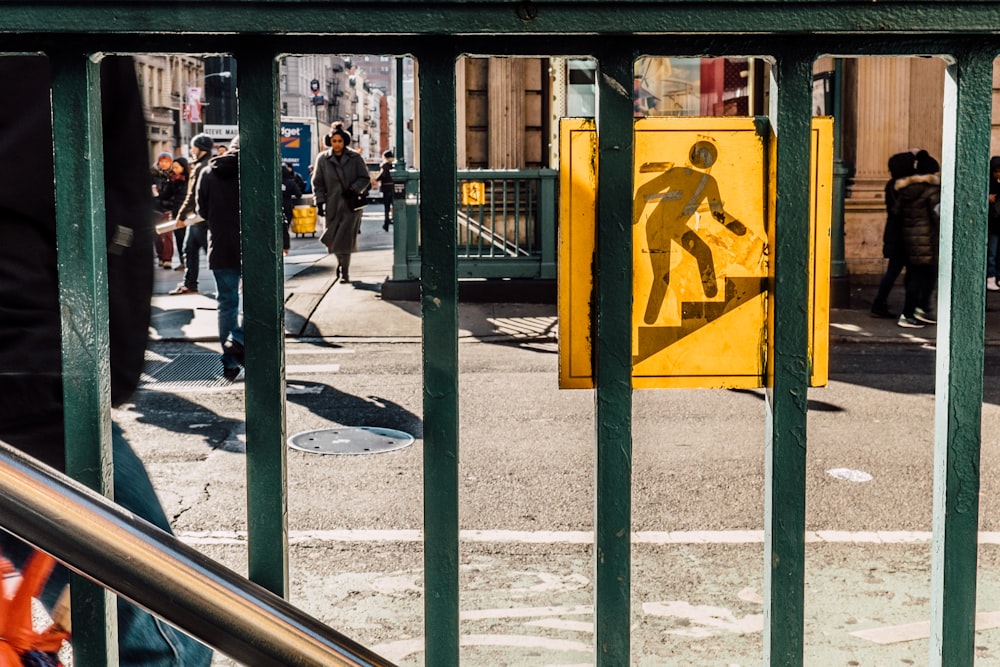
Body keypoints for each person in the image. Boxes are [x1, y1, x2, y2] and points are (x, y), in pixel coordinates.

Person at [0, 55, 212, 665]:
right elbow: (106, 206)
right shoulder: (62, 44)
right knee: (169, 625)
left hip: (30, 356)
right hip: (29, 368)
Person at [197, 135, 244, 380]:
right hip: (251, 245)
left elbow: (201, 210)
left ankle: (229, 361)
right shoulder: (254, 169)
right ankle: (239, 339)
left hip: (221, 246)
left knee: (226, 303)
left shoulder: (207, 172)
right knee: (262, 300)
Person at [312, 122, 371, 284]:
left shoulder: (355, 158)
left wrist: (353, 189)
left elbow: (365, 178)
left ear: (345, 141)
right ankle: (340, 263)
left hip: (350, 206)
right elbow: (317, 183)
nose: (337, 144)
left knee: (345, 239)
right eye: (334, 141)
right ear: (329, 142)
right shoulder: (322, 159)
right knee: (331, 238)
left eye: (340, 141)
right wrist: (320, 203)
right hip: (331, 205)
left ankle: (344, 271)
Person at [893, 149, 941, 328]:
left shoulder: (906, 190)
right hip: (926, 240)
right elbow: (937, 216)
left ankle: (917, 310)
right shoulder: (931, 191)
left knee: (916, 276)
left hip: (910, 241)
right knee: (925, 277)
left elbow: (896, 212)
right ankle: (909, 313)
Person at [168, 133, 214, 295]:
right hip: (199, 217)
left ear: (200, 148)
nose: (192, 150)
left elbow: (193, 195)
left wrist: (180, 216)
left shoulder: (201, 167)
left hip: (199, 218)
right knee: (190, 249)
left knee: (209, 252)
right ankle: (189, 283)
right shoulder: (206, 164)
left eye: (194, 146)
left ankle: (228, 283)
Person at [871, 151, 915, 318]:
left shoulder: (891, 184)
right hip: (904, 236)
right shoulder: (903, 187)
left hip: (894, 235)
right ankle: (908, 308)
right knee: (907, 273)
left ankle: (879, 303)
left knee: (893, 271)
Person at [164, 156, 190, 270]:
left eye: (176, 167)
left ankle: (189, 263)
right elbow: (166, 195)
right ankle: (183, 262)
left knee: (188, 240)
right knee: (179, 238)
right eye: (173, 167)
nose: (173, 169)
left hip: (188, 215)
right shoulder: (173, 180)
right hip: (176, 213)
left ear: (183, 168)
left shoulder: (189, 179)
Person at [152, 151, 174, 269]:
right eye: (162, 161)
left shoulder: (173, 174)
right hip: (155, 208)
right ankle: (160, 256)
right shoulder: (152, 175)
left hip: (168, 209)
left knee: (168, 235)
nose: (164, 164)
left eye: (167, 161)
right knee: (157, 234)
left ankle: (167, 259)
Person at [281, 162, 304, 255]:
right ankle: (285, 247)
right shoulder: (290, 182)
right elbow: (298, 194)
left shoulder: (272, 182)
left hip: (276, 206)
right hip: (287, 206)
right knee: (285, 227)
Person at [988, 156, 1000, 292]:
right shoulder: (989, 184)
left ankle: (996, 276)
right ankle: (991, 276)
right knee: (992, 251)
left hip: (997, 222)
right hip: (993, 223)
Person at [376, 150, 395, 232]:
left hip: (386, 189)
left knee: (386, 208)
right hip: (393, 188)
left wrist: (376, 179)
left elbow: (382, 176)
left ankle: (386, 224)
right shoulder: (394, 165)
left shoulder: (385, 166)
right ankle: (394, 220)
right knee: (395, 206)